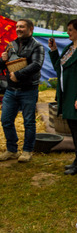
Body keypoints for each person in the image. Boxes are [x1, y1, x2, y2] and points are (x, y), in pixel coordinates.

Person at [48, 18, 77, 175]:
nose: (68, 32)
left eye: (70, 29)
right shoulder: (69, 48)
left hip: (75, 96)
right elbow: (59, 68)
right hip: (66, 94)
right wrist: (54, 51)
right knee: (74, 129)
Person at [0, 19, 44, 162]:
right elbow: (2, 66)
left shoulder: (37, 46)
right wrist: (2, 59)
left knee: (29, 122)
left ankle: (27, 151)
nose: (18, 29)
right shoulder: (10, 45)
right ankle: (12, 150)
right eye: (17, 26)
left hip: (28, 90)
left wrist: (18, 75)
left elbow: (37, 65)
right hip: (11, 90)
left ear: (30, 28)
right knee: (6, 120)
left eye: (22, 27)